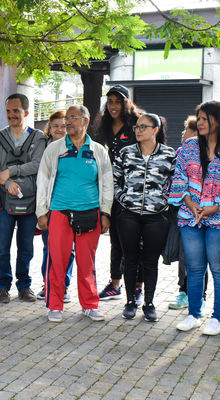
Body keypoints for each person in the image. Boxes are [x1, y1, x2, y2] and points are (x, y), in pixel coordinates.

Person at [170, 100, 220, 336]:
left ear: (218, 120)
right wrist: (190, 202)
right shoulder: (189, 147)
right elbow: (178, 178)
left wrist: (215, 207)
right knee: (194, 269)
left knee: (219, 269)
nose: (200, 122)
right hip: (190, 216)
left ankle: (219, 318)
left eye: (205, 118)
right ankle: (194, 314)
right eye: (199, 118)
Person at [36, 105, 112, 322]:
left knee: (87, 263)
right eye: (66, 118)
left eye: (73, 118)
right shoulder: (54, 149)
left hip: (90, 213)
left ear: (85, 121)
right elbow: (42, 180)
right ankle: (54, 305)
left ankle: (90, 305)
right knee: (57, 261)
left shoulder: (98, 150)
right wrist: (42, 211)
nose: (68, 122)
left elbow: (107, 184)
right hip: (59, 212)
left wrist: (105, 212)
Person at [114, 113, 176, 322]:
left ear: (155, 130)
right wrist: (124, 198)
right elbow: (114, 180)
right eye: (137, 127)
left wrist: (164, 201)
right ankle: (130, 301)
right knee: (130, 260)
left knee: (150, 262)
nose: (138, 130)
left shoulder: (169, 154)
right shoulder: (126, 153)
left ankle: (149, 304)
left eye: (143, 127)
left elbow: (175, 183)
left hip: (156, 217)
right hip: (129, 215)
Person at [0, 93, 47, 303]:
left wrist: (12, 172)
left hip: (29, 201)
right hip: (3, 200)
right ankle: (3, 285)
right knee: (2, 246)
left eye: (16, 111)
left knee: (26, 247)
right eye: (8, 111)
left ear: (26, 112)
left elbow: (39, 164)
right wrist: (6, 183)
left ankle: (24, 286)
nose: (11, 115)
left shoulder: (38, 137)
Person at [92, 85, 145, 305]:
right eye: (110, 101)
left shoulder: (137, 124)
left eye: (118, 101)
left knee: (137, 240)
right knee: (116, 239)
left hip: (135, 189)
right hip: (113, 188)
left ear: (126, 102)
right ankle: (115, 284)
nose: (113, 106)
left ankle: (138, 286)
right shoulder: (104, 125)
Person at [168, 116, 209, 310]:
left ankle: (198, 295)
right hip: (182, 211)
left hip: (202, 213)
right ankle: (183, 291)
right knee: (184, 256)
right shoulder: (180, 152)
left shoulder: (207, 152)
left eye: (186, 130)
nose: (183, 133)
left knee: (198, 259)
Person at [35, 111, 74, 303]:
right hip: (50, 206)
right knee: (49, 247)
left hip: (71, 206)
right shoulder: (42, 148)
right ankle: (47, 284)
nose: (60, 129)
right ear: (49, 128)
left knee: (69, 249)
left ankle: (64, 286)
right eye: (56, 125)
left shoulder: (75, 147)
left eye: (64, 125)